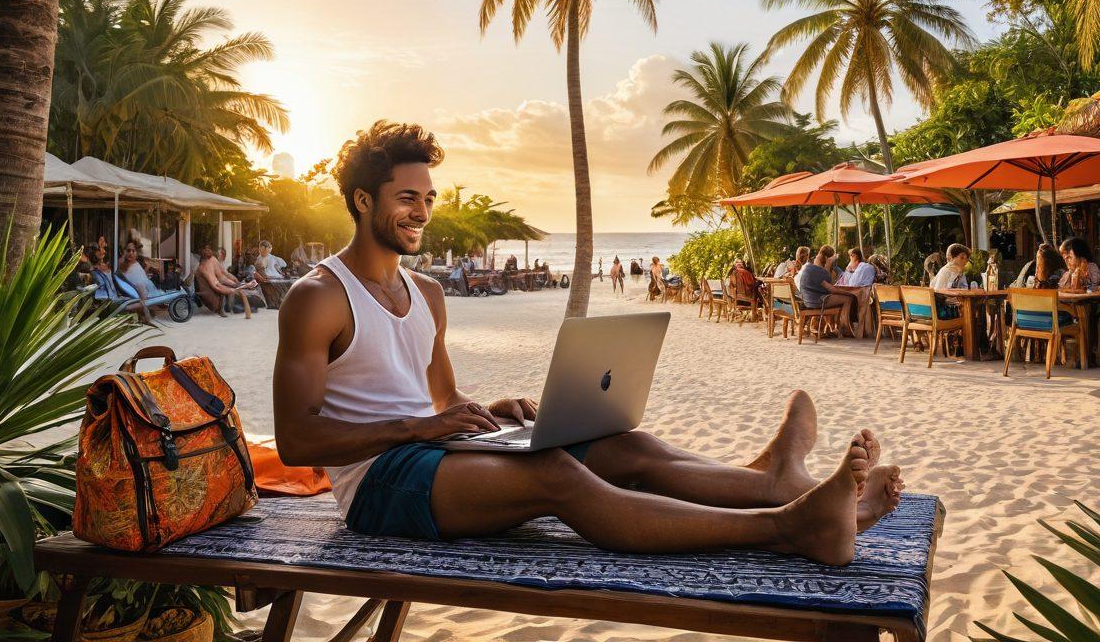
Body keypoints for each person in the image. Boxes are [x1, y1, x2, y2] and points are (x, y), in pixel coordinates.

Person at [273, 121, 903, 564]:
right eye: (406, 198)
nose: (422, 210)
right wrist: (416, 428)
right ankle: (787, 527)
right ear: (362, 200)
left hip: (435, 452)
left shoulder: (427, 294)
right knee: (557, 471)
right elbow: (300, 441)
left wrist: (486, 412)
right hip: (377, 483)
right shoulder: (319, 297)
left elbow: (440, 397)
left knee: (619, 444)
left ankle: (775, 481)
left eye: (429, 198)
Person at [796, 245, 855, 336]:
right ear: (828, 259)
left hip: (808, 300)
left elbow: (827, 286)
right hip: (816, 301)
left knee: (837, 298)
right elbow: (831, 289)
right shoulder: (817, 270)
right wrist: (849, 293)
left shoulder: (810, 267)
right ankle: (844, 328)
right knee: (847, 299)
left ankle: (835, 327)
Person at [196, 244, 259, 315]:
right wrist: (234, 289)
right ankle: (233, 307)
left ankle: (239, 306)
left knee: (242, 291)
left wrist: (236, 283)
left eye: (209, 248)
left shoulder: (212, 259)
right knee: (236, 293)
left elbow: (223, 275)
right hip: (213, 298)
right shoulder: (203, 268)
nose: (208, 250)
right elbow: (216, 286)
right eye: (205, 248)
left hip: (219, 290)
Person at [117, 239, 157, 326]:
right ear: (124, 252)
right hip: (127, 291)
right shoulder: (121, 262)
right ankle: (139, 313)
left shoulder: (136, 265)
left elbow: (142, 280)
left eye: (133, 251)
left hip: (139, 292)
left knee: (143, 295)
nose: (131, 253)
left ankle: (141, 315)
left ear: (136, 253)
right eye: (128, 251)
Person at [255, 240, 292, 308]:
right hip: (263, 276)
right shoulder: (258, 258)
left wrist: (276, 267)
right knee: (272, 285)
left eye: (264, 250)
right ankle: (275, 302)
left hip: (273, 275)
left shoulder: (272, 257)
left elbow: (283, 264)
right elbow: (258, 270)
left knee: (283, 284)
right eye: (260, 250)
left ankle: (283, 301)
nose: (262, 252)